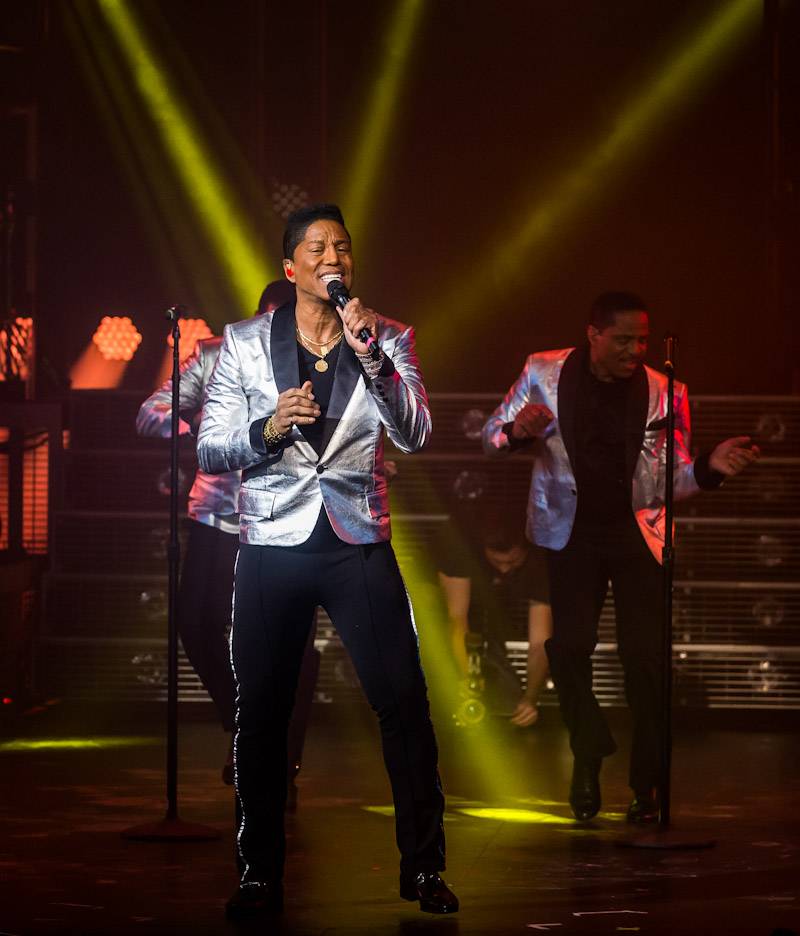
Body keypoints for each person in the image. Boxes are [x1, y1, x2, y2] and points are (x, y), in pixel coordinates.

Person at [197, 204, 457, 918]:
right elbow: (211, 448)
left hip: (356, 542)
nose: (332, 256)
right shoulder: (244, 341)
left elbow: (415, 434)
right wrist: (268, 428)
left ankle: (424, 868)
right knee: (262, 714)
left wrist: (371, 356)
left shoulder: (389, 335)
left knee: (404, 702)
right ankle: (258, 874)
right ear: (291, 268)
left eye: (341, 245)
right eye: (316, 247)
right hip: (271, 543)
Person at [482, 292, 759, 825]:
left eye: (643, 340)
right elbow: (489, 439)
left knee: (646, 660)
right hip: (570, 534)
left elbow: (674, 479)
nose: (636, 350)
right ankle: (588, 751)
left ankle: (646, 785)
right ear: (594, 334)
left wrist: (710, 467)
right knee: (568, 648)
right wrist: (518, 432)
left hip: (639, 535)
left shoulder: (667, 391)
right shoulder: (542, 371)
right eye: (624, 340)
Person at [136, 280, 320, 805]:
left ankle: (283, 765)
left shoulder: (322, 359)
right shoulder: (214, 354)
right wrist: (196, 430)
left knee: (292, 647)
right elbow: (150, 413)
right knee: (195, 623)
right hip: (218, 516)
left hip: (289, 518)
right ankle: (244, 723)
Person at [437, 510, 552, 727]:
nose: (505, 568)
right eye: (497, 561)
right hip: (435, 600)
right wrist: (467, 681)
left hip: (490, 610)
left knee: (508, 705)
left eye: (513, 561)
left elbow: (540, 642)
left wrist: (531, 697)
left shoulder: (540, 560)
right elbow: (457, 619)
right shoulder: (458, 543)